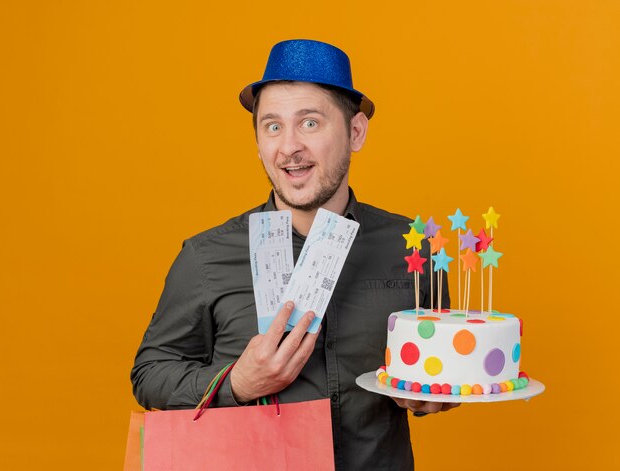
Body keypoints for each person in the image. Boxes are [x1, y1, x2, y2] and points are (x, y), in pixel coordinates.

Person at [131, 39, 458, 470]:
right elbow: (150, 373)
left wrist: (430, 395)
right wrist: (237, 384)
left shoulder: (414, 248)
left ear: (355, 132)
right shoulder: (205, 257)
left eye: (309, 123)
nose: (288, 147)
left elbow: (441, 373)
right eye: (272, 126)